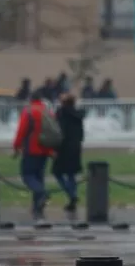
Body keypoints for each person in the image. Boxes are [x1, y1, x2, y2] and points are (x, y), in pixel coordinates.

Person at [12, 92, 57, 221]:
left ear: (31, 99)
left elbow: (21, 131)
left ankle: (42, 194)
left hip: (31, 149)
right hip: (45, 149)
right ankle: (37, 208)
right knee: (39, 177)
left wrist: (16, 146)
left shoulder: (29, 111)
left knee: (27, 176)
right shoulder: (47, 111)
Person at [52, 93, 85, 218]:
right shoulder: (78, 115)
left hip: (63, 148)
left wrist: (55, 148)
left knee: (57, 172)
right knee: (71, 174)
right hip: (75, 147)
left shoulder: (61, 114)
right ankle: (72, 198)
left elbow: (60, 132)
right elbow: (81, 133)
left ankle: (72, 195)